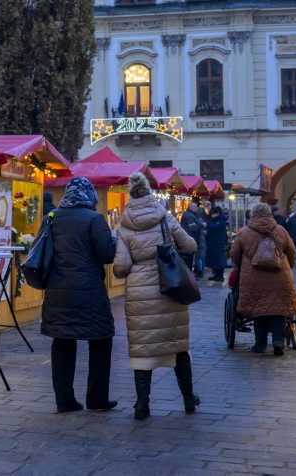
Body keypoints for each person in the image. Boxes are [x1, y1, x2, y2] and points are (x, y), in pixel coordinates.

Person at [113, 173, 200, 420]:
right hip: (169, 285)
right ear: (150, 193)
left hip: (140, 289)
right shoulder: (165, 217)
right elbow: (190, 246)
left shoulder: (124, 225)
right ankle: (188, 399)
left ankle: (142, 404)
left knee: (143, 350)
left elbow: (120, 267)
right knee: (178, 345)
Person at [41, 176, 118, 413]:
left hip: (57, 291)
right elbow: (107, 254)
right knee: (101, 340)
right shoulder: (95, 219)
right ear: (90, 195)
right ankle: (97, 399)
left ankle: (64, 400)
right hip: (89, 292)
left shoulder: (51, 218)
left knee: (63, 341)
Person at [229, 203, 296, 356]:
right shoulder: (281, 230)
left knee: (258, 310)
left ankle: (260, 344)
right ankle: (278, 341)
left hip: (253, 278)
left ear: (253, 214)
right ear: (269, 214)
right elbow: (292, 252)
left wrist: (241, 266)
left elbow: (234, 254)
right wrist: (289, 265)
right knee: (278, 310)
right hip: (280, 277)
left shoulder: (244, 232)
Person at [179, 202, 205, 280]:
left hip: (191, 239)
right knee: (195, 257)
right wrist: (201, 225)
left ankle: (196, 272)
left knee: (196, 257)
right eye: (195, 207)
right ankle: (198, 272)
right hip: (191, 239)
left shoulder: (190, 215)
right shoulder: (189, 216)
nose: (196, 208)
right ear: (191, 207)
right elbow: (192, 227)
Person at [205, 205, 229, 282]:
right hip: (214, 243)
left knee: (219, 259)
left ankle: (220, 276)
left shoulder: (221, 220)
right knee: (215, 260)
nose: (212, 215)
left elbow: (214, 228)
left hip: (219, 243)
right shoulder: (217, 219)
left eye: (213, 214)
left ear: (217, 213)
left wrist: (208, 222)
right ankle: (216, 275)